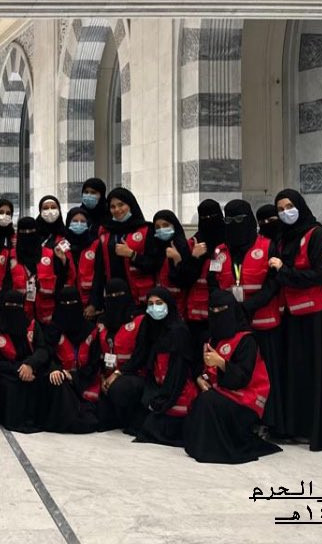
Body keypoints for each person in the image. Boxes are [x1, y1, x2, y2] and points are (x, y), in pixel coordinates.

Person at [269, 189, 322, 453]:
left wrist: (285, 272)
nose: (285, 212)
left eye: (289, 206)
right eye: (280, 209)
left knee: (315, 373)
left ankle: (314, 429)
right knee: (294, 373)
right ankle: (294, 427)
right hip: (291, 315)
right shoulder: (282, 236)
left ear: (299, 205)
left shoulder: (316, 233)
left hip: (315, 316)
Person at [208, 199, 286, 439]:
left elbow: (273, 283)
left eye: (239, 220)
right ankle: (239, 420)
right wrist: (229, 308)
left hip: (263, 322)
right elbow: (213, 283)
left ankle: (269, 421)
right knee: (236, 371)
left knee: (266, 374)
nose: (234, 225)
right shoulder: (219, 252)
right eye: (229, 220)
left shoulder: (268, 246)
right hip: (231, 326)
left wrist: (248, 306)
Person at [184, 290, 281, 464]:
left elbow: (242, 378)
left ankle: (216, 449)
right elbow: (205, 370)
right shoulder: (212, 339)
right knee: (197, 398)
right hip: (221, 391)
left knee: (208, 401)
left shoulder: (246, 340)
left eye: (221, 310)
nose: (216, 314)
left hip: (246, 398)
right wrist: (201, 378)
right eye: (212, 311)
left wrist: (222, 363)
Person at [100, 287, 197, 446]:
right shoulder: (148, 324)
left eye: (159, 303)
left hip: (174, 387)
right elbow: (138, 357)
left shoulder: (178, 331)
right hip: (152, 381)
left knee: (154, 426)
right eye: (150, 304)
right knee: (120, 390)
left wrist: (163, 399)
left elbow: (178, 373)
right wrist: (117, 373)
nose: (154, 307)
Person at [0, 290, 49, 433]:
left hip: (31, 368)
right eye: (10, 305)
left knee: (41, 382)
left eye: (18, 306)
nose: (14, 309)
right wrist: (19, 370)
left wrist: (30, 364)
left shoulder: (31, 325)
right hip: (6, 372)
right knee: (10, 386)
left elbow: (42, 349)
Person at [42, 287, 99, 434]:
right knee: (57, 383)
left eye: (72, 303)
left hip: (84, 379)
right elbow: (46, 355)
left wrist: (74, 376)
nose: (68, 307)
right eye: (64, 304)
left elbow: (94, 364)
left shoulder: (91, 330)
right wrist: (56, 370)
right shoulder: (52, 330)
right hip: (59, 377)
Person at [93, 187, 159, 307]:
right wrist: (94, 302)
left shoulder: (146, 230)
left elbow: (154, 264)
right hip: (113, 297)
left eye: (121, 205)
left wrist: (132, 255)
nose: (117, 210)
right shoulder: (105, 233)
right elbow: (99, 270)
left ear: (130, 205)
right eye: (113, 207)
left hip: (140, 298)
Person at [182, 199, 226, 345]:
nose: (209, 221)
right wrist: (195, 257)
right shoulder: (193, 243)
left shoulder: (229, 242)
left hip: (223, 308)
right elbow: (184, 278)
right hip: (196, 314)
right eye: (204, 217)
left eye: (212, 216)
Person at [147, 210, 196, 311]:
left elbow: (187, 280)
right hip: (158, 303)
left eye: (165, 225)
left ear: (174, 226)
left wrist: (177, 259)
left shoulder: (184, 247)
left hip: (179, 304)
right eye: (157, 227)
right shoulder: (154, 248)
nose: (161, 229)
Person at [63, 207, 101, 307]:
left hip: (89, 301)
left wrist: (93, 303)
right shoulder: (62, 246)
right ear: (68, 223)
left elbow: (99, 276)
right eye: (75, 221)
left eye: (83, 221)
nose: (79, 224)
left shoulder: (95, 245)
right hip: (67, 301)